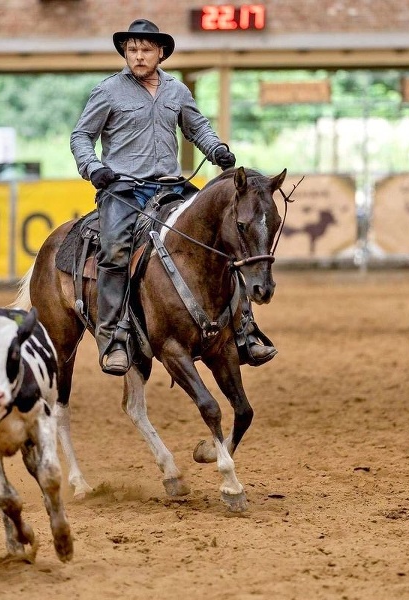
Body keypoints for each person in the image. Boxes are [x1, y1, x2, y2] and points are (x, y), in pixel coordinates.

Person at [70, 18, 276, 375]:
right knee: (115, 250)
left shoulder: (177, 91)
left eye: (145, 49)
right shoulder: (107, 91)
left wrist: (218, 150)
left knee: (225, 240)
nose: (137, 56)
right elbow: (81, 137)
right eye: (132, 49)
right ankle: (115, 338)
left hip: (171, 186)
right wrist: (93, 168)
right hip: (122, 189)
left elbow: (198, 129)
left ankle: (244, 331)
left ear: (160, 53)